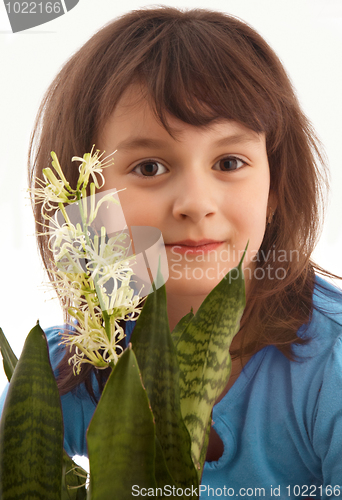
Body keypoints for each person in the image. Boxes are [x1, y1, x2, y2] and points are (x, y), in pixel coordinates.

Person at [1, 6, 342, 497]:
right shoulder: (74, 368)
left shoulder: (329, 363)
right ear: (84, 199)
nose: (196, 204)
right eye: (149, 167)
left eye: (229, 161)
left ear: (274, 192)